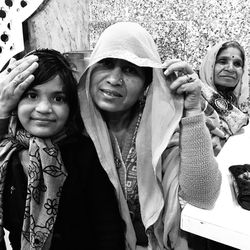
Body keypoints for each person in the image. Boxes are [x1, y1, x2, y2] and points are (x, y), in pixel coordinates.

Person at [77, 21, 222, 250]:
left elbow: (203, 196)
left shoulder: (163, 130)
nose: (114, 79)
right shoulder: (74, 128)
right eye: (106, 64)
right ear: (91, 69)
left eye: (130, 69)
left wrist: (193, 112)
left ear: (147, 84)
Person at [0, 49, 125, 250]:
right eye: (32, 95)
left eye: (58, 99)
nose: (43, 108)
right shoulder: (6, 151)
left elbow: (107, 226)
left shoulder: (83, 152)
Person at [199, 41, 250, 152]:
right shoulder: (192, 98)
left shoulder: (242, 106)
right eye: (222, 61)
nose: (230, 68)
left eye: (237, 64)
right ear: (210, 64)